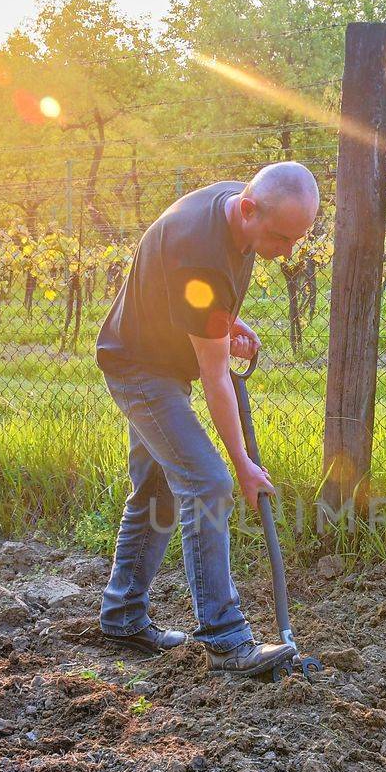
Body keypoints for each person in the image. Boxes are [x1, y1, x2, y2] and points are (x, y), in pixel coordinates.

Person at [94, 161, 320, 678]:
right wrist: (241, 463)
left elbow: (194, 300)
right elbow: (216, 378)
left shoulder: (233, 206)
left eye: (297, 239)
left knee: (157, 491)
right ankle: (224, 637)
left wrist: (224, 321)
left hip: (159, 359)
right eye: (282, 238)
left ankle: (123, 615)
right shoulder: (200, 251)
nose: (288, 253)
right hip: (140, 371)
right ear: (248, 209)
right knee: (208, 483)